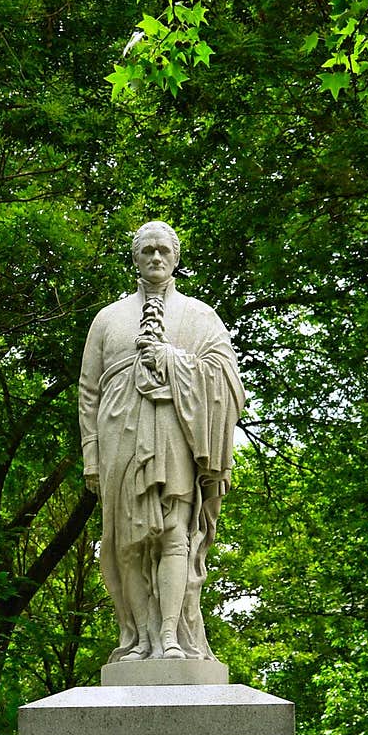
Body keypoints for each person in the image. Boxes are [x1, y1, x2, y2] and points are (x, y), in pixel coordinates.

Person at [78, 220, 245, 662]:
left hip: (176, 434)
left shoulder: (200, 316)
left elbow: (228, 380)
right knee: (128, 542)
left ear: (175, 258)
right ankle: (139, 640)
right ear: (135, 257)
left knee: (174, 534)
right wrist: (91, 457)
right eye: (147, 250)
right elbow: (88, 391)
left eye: (163, 251)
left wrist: (172, 360)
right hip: (119, 438)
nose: (155, 257)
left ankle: (171, 639)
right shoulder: (108, 319)